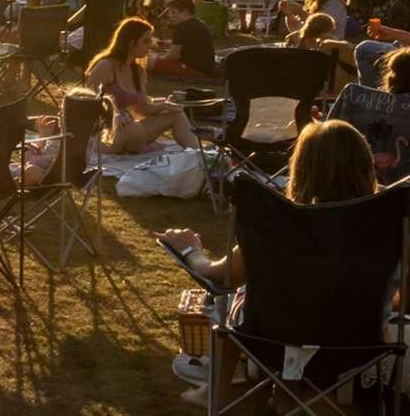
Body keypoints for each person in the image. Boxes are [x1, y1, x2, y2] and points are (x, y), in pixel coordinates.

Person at [156, 119, 378, 406]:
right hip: (363, 344)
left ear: (303, 168)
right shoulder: (384, 223)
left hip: (271, 341)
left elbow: (217, 276)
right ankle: (289, 392)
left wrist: (189, 250)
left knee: (234, 296)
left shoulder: (279, 222)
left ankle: (216, 392)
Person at [86, 17, 198, 152]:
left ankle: (199, 155)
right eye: (146, 41)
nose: (150, 45)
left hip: (129, 128)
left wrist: (164, 105)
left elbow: (141, 110)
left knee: (176, 115)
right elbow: (85, 104)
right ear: (130, 43)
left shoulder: (137, 71)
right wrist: (113, 116)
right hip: (104, 132)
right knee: (135, 130)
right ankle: (140, 148)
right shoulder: (106, 66)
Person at [149, 0, 216, 78]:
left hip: (194, 70)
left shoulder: (182, 27)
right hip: (205, 68)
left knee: (149, 61)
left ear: (185, 12)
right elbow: (187, 44)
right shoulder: (199, 24)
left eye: (173, 12)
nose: (170, 16)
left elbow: (172, 56)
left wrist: (157, 58)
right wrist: (162, 43)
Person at [286, 12, 358, 88]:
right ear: (329, 29)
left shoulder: (299, 40)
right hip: (328, 84)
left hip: (303, 83)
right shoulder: (330, 44)